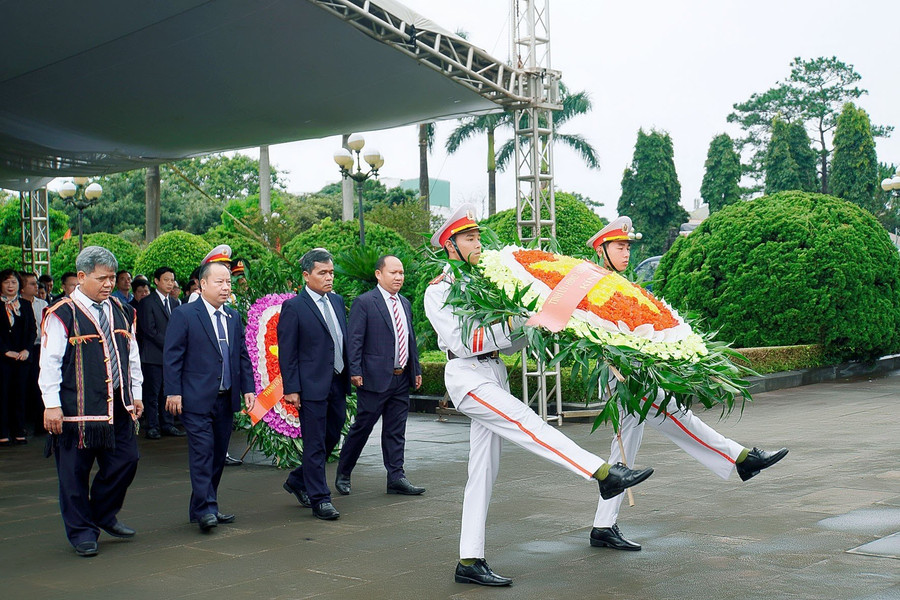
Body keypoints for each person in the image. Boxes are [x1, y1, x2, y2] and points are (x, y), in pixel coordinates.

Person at [423, 205, 654, 587]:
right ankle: (601, 472)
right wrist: (515, 321)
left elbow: (507, 345)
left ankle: (469, 559)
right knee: (527, 423)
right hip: (466, 374)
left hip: (492, 370)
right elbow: (464, 343)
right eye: (469, 238)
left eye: (478, 236)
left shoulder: (485, 282)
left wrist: (537, 321)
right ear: (450, 245)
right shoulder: (440, 290)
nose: (478, 243)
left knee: (482, 473)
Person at [586, 217, 788, 552]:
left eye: (627, 247)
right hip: (625, 378)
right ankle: (741, 458)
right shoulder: (597, 287)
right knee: (679, 418)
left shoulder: (622, 285)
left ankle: (603, 526)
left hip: (637, 373)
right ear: (602, 250)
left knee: (624, 453)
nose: (626, 253)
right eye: (619, 247)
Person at [39, 246, 143, 557]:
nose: (109, 284)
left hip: (118, 406)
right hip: (76, 410)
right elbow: (50, 361)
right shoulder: (61, 312)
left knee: (127, 461)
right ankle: (82, 531)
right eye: (102, 278)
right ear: (81, 276)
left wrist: (136, 393)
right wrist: (51, 404)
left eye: (112, 277)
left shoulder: (124, 310)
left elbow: (132, 356)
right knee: (73, 474)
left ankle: (101, 513)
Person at [163, 260, 255, 532]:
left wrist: (248, 389)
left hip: (226, 399)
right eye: (219, 282)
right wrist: (173, 392)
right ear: (203, 285)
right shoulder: (186, 315)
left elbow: (241, 356)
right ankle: (206, 510)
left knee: (217, 456)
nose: (226, 287)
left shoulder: (233, 316)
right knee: (203, 452)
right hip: (196, 398)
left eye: (228, 282)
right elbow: (173, 357)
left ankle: (202, 505)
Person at [335, 255, 425, 497]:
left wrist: (415, 369)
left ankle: (396, 477)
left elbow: (410, 339)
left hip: (400, 378)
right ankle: (343, 471)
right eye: (393, 272)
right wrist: (355, 371)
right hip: (374, 378)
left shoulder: (404, 303)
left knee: (396, 430)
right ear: (378, 274)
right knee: (362, 427)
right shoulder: (365, 302)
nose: (399, 277)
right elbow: (354, 340)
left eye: (401, 273)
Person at [279, 248, 350, 521]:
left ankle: (298, 479)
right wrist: (291, 388)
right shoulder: (294, 307)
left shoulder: (337, 301)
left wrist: (352, 372)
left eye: (331, 272)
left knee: (332, 434)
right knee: (315, 442)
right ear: (307, 275)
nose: (329, 277)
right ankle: (320, 499)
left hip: (337, 381)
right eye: (323, 273)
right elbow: (288, 351)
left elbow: (340, 340)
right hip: (310, 386)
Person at [137, 267, 184, 440]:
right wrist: (171, 345)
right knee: (152, 393)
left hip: (170, 358)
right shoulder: (147, 302)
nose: (170, 283)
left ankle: (168, 423)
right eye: (166, 280)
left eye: (172, 280)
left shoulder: (174, 303)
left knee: (168, 391)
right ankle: (152, 426)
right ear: (156, 281)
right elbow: (149, 330)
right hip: (153, 356)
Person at [1, 269, 36, 445]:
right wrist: (5, 351)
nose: (10, 286)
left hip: (23, 358)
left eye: (13, 282)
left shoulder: (25, 304)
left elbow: (32, 330)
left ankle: (19, 430)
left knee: (20, 394)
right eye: (6, 282)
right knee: (3, 395)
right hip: (3, 358)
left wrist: (26, 350)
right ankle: (3, 431)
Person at [18, 271, 47, 435]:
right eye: (32, 284)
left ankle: (40, 423)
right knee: (21, 388)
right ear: (22, 288)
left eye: (36, 283)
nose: (36, 286)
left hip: (39, 348)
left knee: (39, 386)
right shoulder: (16, 305)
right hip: (20, 350)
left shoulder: (42, 304)